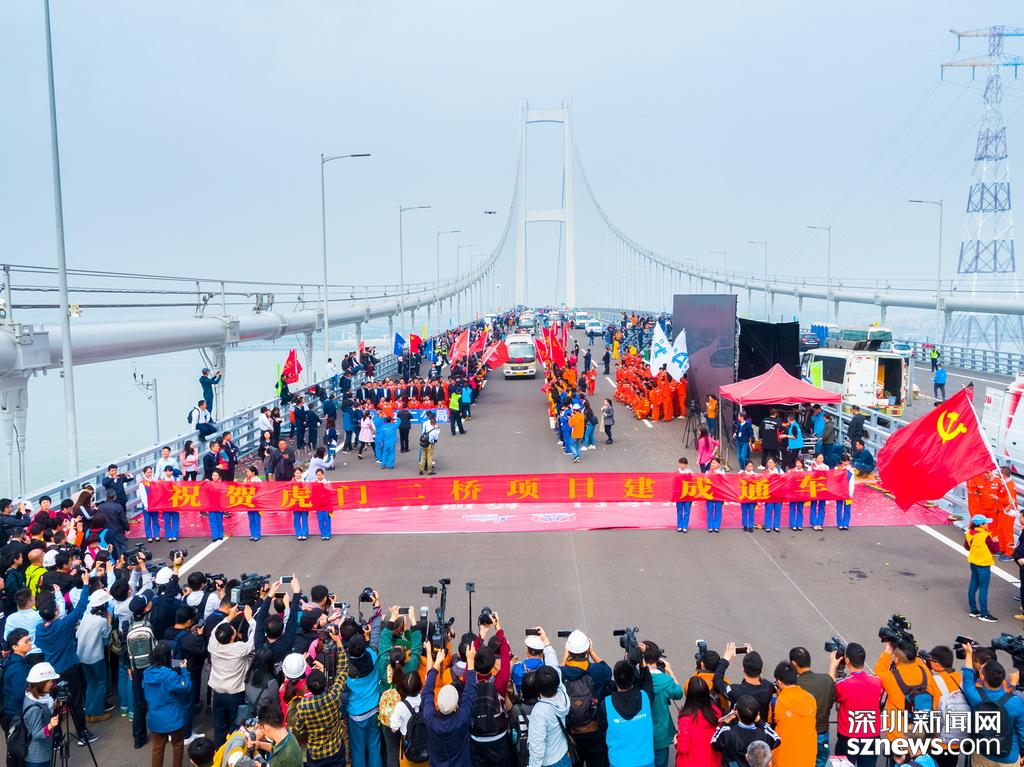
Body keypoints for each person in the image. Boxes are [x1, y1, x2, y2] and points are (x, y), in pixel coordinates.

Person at [35, 569, 95, 744]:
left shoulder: (40, 629)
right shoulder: (63, 625)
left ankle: (56, 737)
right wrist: (85, 585)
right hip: (69, 668)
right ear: (56, 612)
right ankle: (82, 734)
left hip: (51, 672)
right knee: (75, 701)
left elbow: (39, 644)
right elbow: (81, 607)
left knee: (55, 704)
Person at [291, 625, 351, 767]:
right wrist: (338, 641)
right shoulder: (333, 696)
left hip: (316, 755)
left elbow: (298, 728)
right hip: (335, 750)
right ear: (325, 684)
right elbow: (343, 669)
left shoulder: (303, 706)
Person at [560, 630, 612, 767]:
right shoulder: (598, 670)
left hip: (571, 732)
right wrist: (592, 652)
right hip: (595, 730)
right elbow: (607, 670)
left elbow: (556, 673)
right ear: (587, 649)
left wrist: (565, 657)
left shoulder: (563, 673)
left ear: (569, 651)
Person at [422, 641, 478, 767]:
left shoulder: (429, 718)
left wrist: (437, 663)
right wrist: (470, 661)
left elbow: (427, 690)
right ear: (456, 706)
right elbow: (470, 692)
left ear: (437, 704)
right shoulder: (461, 719)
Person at [208, 603, 257, 745]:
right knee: (236, 726)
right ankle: (233, 752)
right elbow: (253, 640)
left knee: (219, 726)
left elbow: (216, 630)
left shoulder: (213, 643)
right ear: (232, 637)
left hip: (217, 692)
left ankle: (218, 751)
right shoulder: (238, 648)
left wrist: (230, 616)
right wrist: (250, 618)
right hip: (235, 694)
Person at [828, 643, 882, 767]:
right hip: (872, 736)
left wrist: (832, 666)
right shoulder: (877, 682)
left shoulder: (842, 685)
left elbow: (829, 690)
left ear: (847, 660)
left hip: (848, 738)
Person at [526, 627, 570, 767]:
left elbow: (537, 748)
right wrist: (546, 641)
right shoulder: (562, 693)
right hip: (564, 757)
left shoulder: (539, 711)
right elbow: (554, 667)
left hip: (549, 762)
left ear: (537, 688)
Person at [144, 641, 193, 767]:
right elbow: (186, 686)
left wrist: (176, 663)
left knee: (157, 749)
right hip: (173, 717)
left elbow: (164, 666)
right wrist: (184, 670)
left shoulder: (147, 673)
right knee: (177, 745)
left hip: (155, 717)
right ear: (167, 657)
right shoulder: (170, 676)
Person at [598, 660, 654, 767]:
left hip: (619, 763)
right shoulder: (645, 696)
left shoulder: (606, 704)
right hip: (646, 761)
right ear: (633, 678)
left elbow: (602, 731)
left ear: (615, 680)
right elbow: (648, 682)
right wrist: (642, 662)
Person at [789, 648, 834, 767]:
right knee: (821, 762)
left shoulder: (794, 686)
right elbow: (831, 696)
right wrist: (833, 666)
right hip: (822, 734)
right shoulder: (827, 680)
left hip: (803, 736)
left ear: (793, 663)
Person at [642, 642, 683, 767]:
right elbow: (679, 693)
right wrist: (670, 671)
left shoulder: (637, 678)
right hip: (661, 733)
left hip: (642, 734)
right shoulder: (666, 681)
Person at [710, 694, 780, 767]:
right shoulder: (764, 735)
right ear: (757, 714)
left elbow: (714, 743)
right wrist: (760, 721)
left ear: (737, 713)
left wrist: (725, 724)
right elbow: (776, 739)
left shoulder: (727, 734)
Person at [769, 663, 817, 767]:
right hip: (807, 758)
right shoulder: (810, 698)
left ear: (779, 682)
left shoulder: (781, 701)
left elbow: (777, 720)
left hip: (785, 759)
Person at [712, 643, 774, 722]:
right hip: (761, 726)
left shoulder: (735, 691)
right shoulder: (768, 687)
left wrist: (725, 659)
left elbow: (717, 681)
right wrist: (753, 659)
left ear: (743, 669)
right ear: (761, 669)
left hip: (739, 726)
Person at [78, 589, 113, 723]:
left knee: (91, 683)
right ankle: (97, 713)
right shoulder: (101, 621)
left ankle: (89, 712)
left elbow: (77, 634)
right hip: (95, 657)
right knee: (101, 683)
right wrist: (109, 620)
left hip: (82, 656)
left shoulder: (86, 617)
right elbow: (106, 634)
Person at [22, 661, 61, 767]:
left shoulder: (33, 696)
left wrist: (53, 706)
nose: (52, 684)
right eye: (50, 681)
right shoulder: (35, 709)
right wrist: (50, 725)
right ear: (41, 683)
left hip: (42, 752)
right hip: (38, 757)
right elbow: (36, 735)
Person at [674, 676, 720, 767]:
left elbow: (683, 748)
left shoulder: (685, 718)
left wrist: (676, 742)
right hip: (712, 762)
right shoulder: (716, 712)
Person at [965, 513, 1000, 622]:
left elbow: (967, 547)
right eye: (985, 523)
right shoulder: (985, 536)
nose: (987, 525)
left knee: (973, 586)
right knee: (983, 589)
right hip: (984, 565)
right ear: (981, 525)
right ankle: (984, 614)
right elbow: (994, 550)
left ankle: (973, 610)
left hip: (973, 563)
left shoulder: (969, 533)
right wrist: (996, 541)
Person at [762, 457, 784, 533]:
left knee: (778, 511)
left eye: (771, 462)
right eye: (768, 462)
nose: (769, 464)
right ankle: (767, 526)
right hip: (769, 495)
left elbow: (784, 480)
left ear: (775, 463)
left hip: (778, 494)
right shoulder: (765, 472)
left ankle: (776, 526)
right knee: (768, 510)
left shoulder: (780, 471)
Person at [675, 457, 694, 533]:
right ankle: (680, 526)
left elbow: (693, 482)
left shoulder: (690, 472)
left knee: (687, 511)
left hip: (688, 495)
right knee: (679, 511)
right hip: (679, 495)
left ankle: (685, 526)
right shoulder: (676, 473)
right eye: (680, 463)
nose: (682, 465)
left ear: (686, 465)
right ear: (678, 464)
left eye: (683, 464)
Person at [788, 458, 807, 532]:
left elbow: (806, 483)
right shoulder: (790, 471)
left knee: (800, 509)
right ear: (795, 463)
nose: (798, 465)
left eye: (800, 463)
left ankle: (799, 524)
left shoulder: (805, 472)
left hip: (801, 493)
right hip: (792, 493)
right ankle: (793, 525)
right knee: (792, 509)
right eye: (797, 463)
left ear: (802, 464)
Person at [419, 411, 441, 476]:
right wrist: (438, 430)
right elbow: (436, 436)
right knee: (429, 457)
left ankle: (421, 470)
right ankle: (429, 470)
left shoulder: (425, 423)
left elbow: (423, 432)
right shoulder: (435, 426)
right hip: (430, 443)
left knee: (423, 456)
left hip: (424, 442)